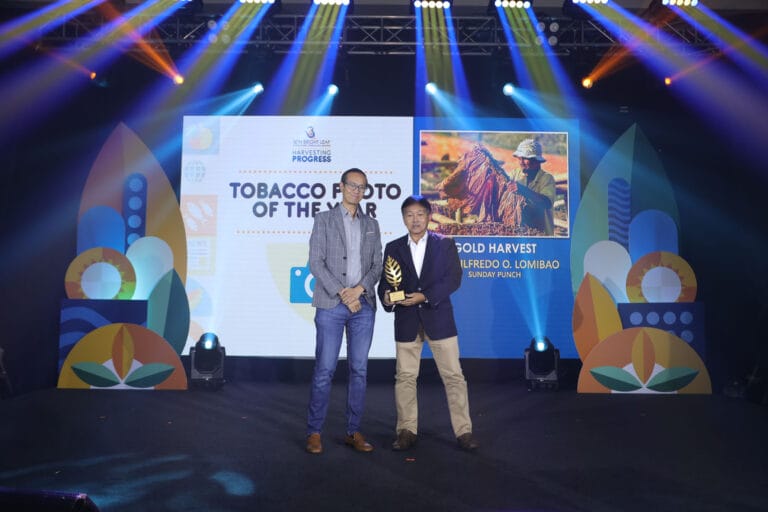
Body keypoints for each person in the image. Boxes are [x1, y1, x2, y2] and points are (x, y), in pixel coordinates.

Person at [377, 195, 479, 452]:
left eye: (420, 214)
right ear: (403, 218)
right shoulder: (393, 247)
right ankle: (406, 430)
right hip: (406, 321)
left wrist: (425, 296)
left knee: (454, 376)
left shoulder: (444, 243)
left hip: (439, 318)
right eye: (409, 215)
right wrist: (387, 297)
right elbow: (386, 283)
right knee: (405, 377)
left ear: (428, 216)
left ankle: (464, 432)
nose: (415, 219)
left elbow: (453, 278)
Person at [305, 168, 383, 454]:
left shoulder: (372, 224)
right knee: (325, 369)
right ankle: (314, 432)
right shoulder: (323, 219)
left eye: (362, 187)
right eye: (352, 185)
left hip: (363, 306)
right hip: (331, 304)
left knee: (359, 370)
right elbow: (316, 262)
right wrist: (343, 293)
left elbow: (377, 265)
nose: (356, 191)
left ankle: (353, 431)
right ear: (341, 186)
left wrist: (359, 290)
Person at [504, 138, 557, 236]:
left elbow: (547, 203)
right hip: (520, 232)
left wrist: (523, 190)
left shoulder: (546, 178)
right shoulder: (515, 174)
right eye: (519, 158)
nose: (521, 162)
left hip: (541, 233)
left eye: (525, 158)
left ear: (536, 160)